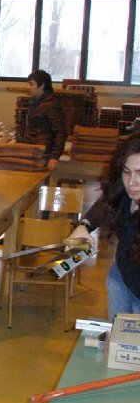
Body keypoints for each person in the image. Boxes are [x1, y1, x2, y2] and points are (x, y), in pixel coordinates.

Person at [68, 132, 140, 322]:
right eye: (126, 172)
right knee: (115, 335)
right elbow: (105, 204)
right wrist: (84, 226)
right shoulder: (124, 192)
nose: (131, 182)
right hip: (120, 278)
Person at [19, 70, 67, 170]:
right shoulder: (36, 102)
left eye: (31, 84)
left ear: (42, 85)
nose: (28, 87)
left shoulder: (51, 105)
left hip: (43, 153)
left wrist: (54, 157)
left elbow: (61, 132)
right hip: (33, 150)